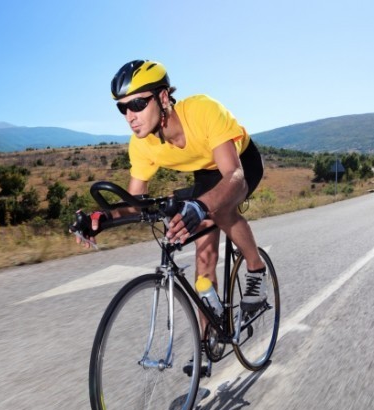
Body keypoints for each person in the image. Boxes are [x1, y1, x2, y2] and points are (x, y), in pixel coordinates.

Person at [75, 59, 267, 372]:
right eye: (122, 108)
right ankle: (210, 341)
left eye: (137, 103)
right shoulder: (142, 145)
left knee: (218, 211)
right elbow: (134, 202)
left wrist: (202, 206)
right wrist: (102, 220)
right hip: (204, 173)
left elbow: (234, 176)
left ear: (164, 98)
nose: (130, 116)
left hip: (239, 162)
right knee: (203, 257)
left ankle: (256, 270)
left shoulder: (204, 111)